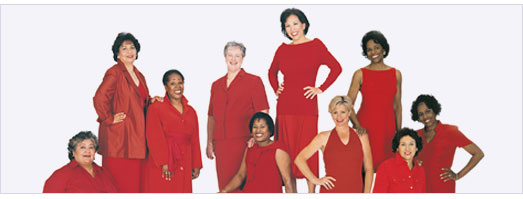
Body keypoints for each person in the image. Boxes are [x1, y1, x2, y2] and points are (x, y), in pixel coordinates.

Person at [268, 8, 342, 192]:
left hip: (307, 108)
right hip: (285, 107)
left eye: (295, 24)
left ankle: (311, 193)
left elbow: (336, 68)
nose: (292, 29)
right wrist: (276, 88)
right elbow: (271, 72)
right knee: (286, 152)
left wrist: (320, 88)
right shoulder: (282, 49)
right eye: (287, 26)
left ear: (304, 24)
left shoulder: (316, 46)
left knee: (308, 151)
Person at [93, 32, 161, 192]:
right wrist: (108, 118)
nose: (129, 51)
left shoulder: (139, 75)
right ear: (117, 53)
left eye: (132, 48)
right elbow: (99, 97)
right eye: (124, 48)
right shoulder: (114, 72)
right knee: (119, 186)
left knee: (135, 186)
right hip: (119, 141)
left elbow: (139, 101)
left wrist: (151, 101)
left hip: (136, 139)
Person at [207, 41, 269, 192]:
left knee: (244, 184)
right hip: (221, 145)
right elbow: (211, 116)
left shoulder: (254, 81)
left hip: (245, 143)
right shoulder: (216, 85)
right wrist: (209, 141)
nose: (233, 59)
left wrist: (257, 136)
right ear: (225, 57)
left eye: (237, 56)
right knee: (224, 185)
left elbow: (263, 111)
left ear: (243, 58)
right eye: (230, 55)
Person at [346, 30, 402, 170]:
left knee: (388, 170)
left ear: (384, 49)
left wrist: (399, 133)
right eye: (369, 50)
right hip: (366, 127)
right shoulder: (360, 74)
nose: (373, 52)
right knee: (364, 169)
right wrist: (357, 126)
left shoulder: (396, 74)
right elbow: (347, 104)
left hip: (388, 128)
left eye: (376, 48)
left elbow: (397, 106)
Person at [295, 96, 373, 193]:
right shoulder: (323, 137)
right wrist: (315, 180)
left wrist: (366, 194)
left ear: (349, 113)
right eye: (335, 112)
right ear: (331, 114)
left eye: (343, 112)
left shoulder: (361, 136)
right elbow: (299, 159)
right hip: (330, 191)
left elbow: (369, 169)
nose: (339, 117)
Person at [142, 69, 202, 193]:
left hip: (185, 159)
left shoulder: (191, 111)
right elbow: (154, 137)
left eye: (180, 83)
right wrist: (164, 162)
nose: (178, 87)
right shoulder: (156, 108)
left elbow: (195, 139)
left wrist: (196, 164)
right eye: (173, 83)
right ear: (166, 87)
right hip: (163, 161)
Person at [411, 94, 484, 193]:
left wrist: (458, 175)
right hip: (419, 187)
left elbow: (478, 154)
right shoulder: (415, 135)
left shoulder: (450, 131)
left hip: (443, 187)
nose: (425, 117)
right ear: (418, 117)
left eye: (428, 111)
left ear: (434, 110)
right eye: (421, 114)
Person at [219, 112, 295, 193]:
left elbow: (288, 181)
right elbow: (240, 176)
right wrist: (223, 191)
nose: (258, 130)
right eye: (255, 127)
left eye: (262, 127)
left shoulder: (278, 150)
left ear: (270, 129)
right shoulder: (250, 148)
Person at [43, 131, 118, 193]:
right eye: (82, 147)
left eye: (91, 147)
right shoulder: (61, 175)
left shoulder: (105, 173)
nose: (87, 151)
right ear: (73, 152)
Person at [373, 128, 426, 193]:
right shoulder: (385, 167)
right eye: (403, 144)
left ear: (416, 148)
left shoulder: (420, 170)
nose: (407, 148)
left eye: (411, 144)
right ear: (397, 148)